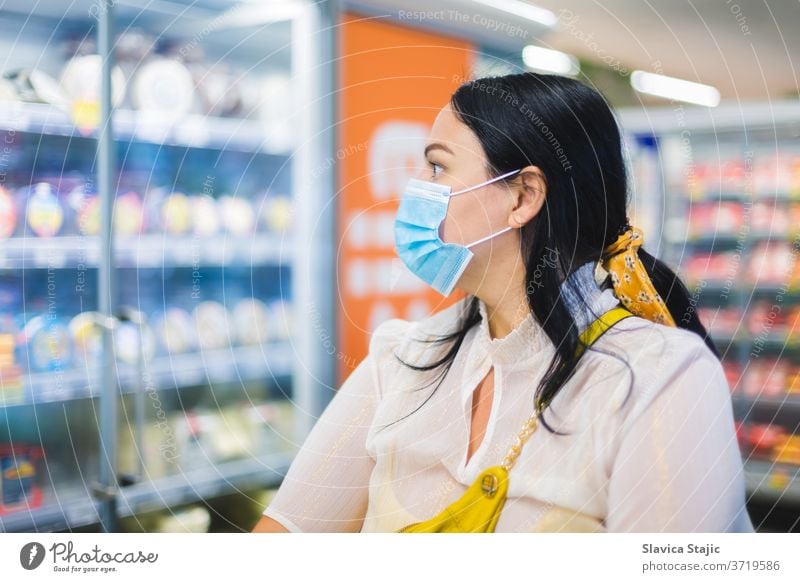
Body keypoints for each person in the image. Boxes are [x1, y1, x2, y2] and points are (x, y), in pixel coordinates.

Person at [252, 72, 754, 533]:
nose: (416, 193)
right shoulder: (404, 360)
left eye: (437, 166)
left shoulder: (660, 378)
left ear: (521, 197)